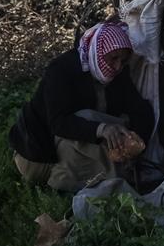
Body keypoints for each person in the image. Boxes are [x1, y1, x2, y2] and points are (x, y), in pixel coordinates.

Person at [9, 20, 154, 192]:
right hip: (38, 157)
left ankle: (116, 178)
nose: (117, 66)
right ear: (99, 51)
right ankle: (66, 180)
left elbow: (140, 110)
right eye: (113, 58)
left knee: (119, 127)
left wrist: (135, 141)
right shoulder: (62, 70)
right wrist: (102, 129)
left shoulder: (118, 75)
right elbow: (58, 123)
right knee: (89, 119)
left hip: (66, 148)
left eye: (122, 61)